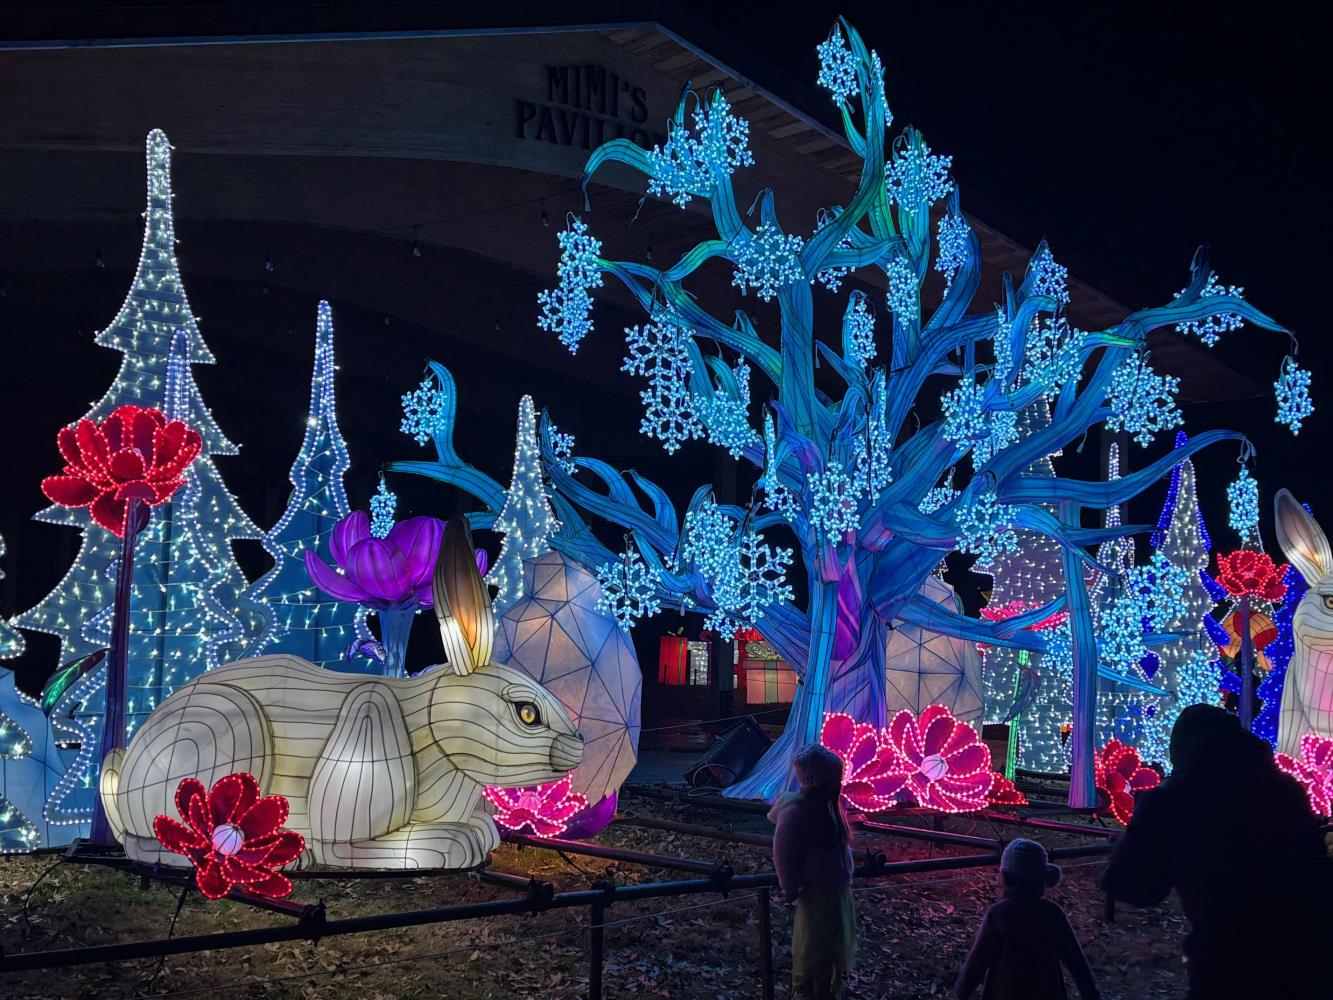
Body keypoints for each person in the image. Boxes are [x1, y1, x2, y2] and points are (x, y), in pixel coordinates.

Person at [1101, 704, 1333, 998]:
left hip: (1229, 961)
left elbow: (1136, 888)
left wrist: (1123, 848)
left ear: (1181, 749)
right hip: (1313, 948)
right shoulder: (1284, 788)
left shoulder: (1173, 798)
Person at [954, 838, 1100, 1000]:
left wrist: (962, 991)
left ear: (1006, 877)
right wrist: (1090, 992)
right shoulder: (1052, 913)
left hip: (1006, 992)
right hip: (1048, 992)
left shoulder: (999, 914)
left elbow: (978, 959)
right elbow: (1074, 958)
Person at [770, 744, 856, 999]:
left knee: (830, 950)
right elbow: (783, 851)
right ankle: (810, 992)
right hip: (817, 894)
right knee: (814, 951)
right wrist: (788, 885)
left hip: (836, 893)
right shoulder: (796, 811)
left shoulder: (827, 808)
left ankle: (827, 990)